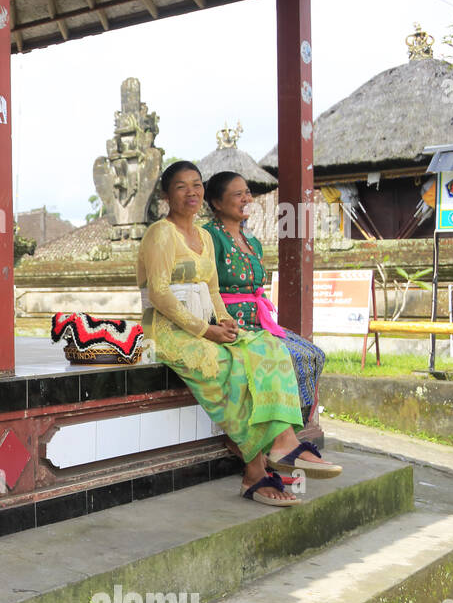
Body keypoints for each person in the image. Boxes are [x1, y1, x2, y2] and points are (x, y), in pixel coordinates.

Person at [136, 161, 341, 507]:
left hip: (206, 325)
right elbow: (159, 294)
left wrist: (225, 320)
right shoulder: (161, 233)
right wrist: (208, 331)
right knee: (234, 366)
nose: (192, 193)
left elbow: (213, 290)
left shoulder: (202, 235)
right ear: (166, 195)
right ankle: (256, 472)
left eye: (197, 185)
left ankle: (284, 442)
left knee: (268, 347)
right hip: (167, 333)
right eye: (181, 186)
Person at [203, 171, 326, 424]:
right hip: (231, 324)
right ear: (216, 203)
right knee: (289, 356)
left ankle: (294, 428)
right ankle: (274, 432)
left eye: (247, 192)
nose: (246, 198)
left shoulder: (253, 241)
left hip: (259, 323)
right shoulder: (209, 237)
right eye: (238, 194)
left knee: (313, 354)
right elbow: (204, 285)